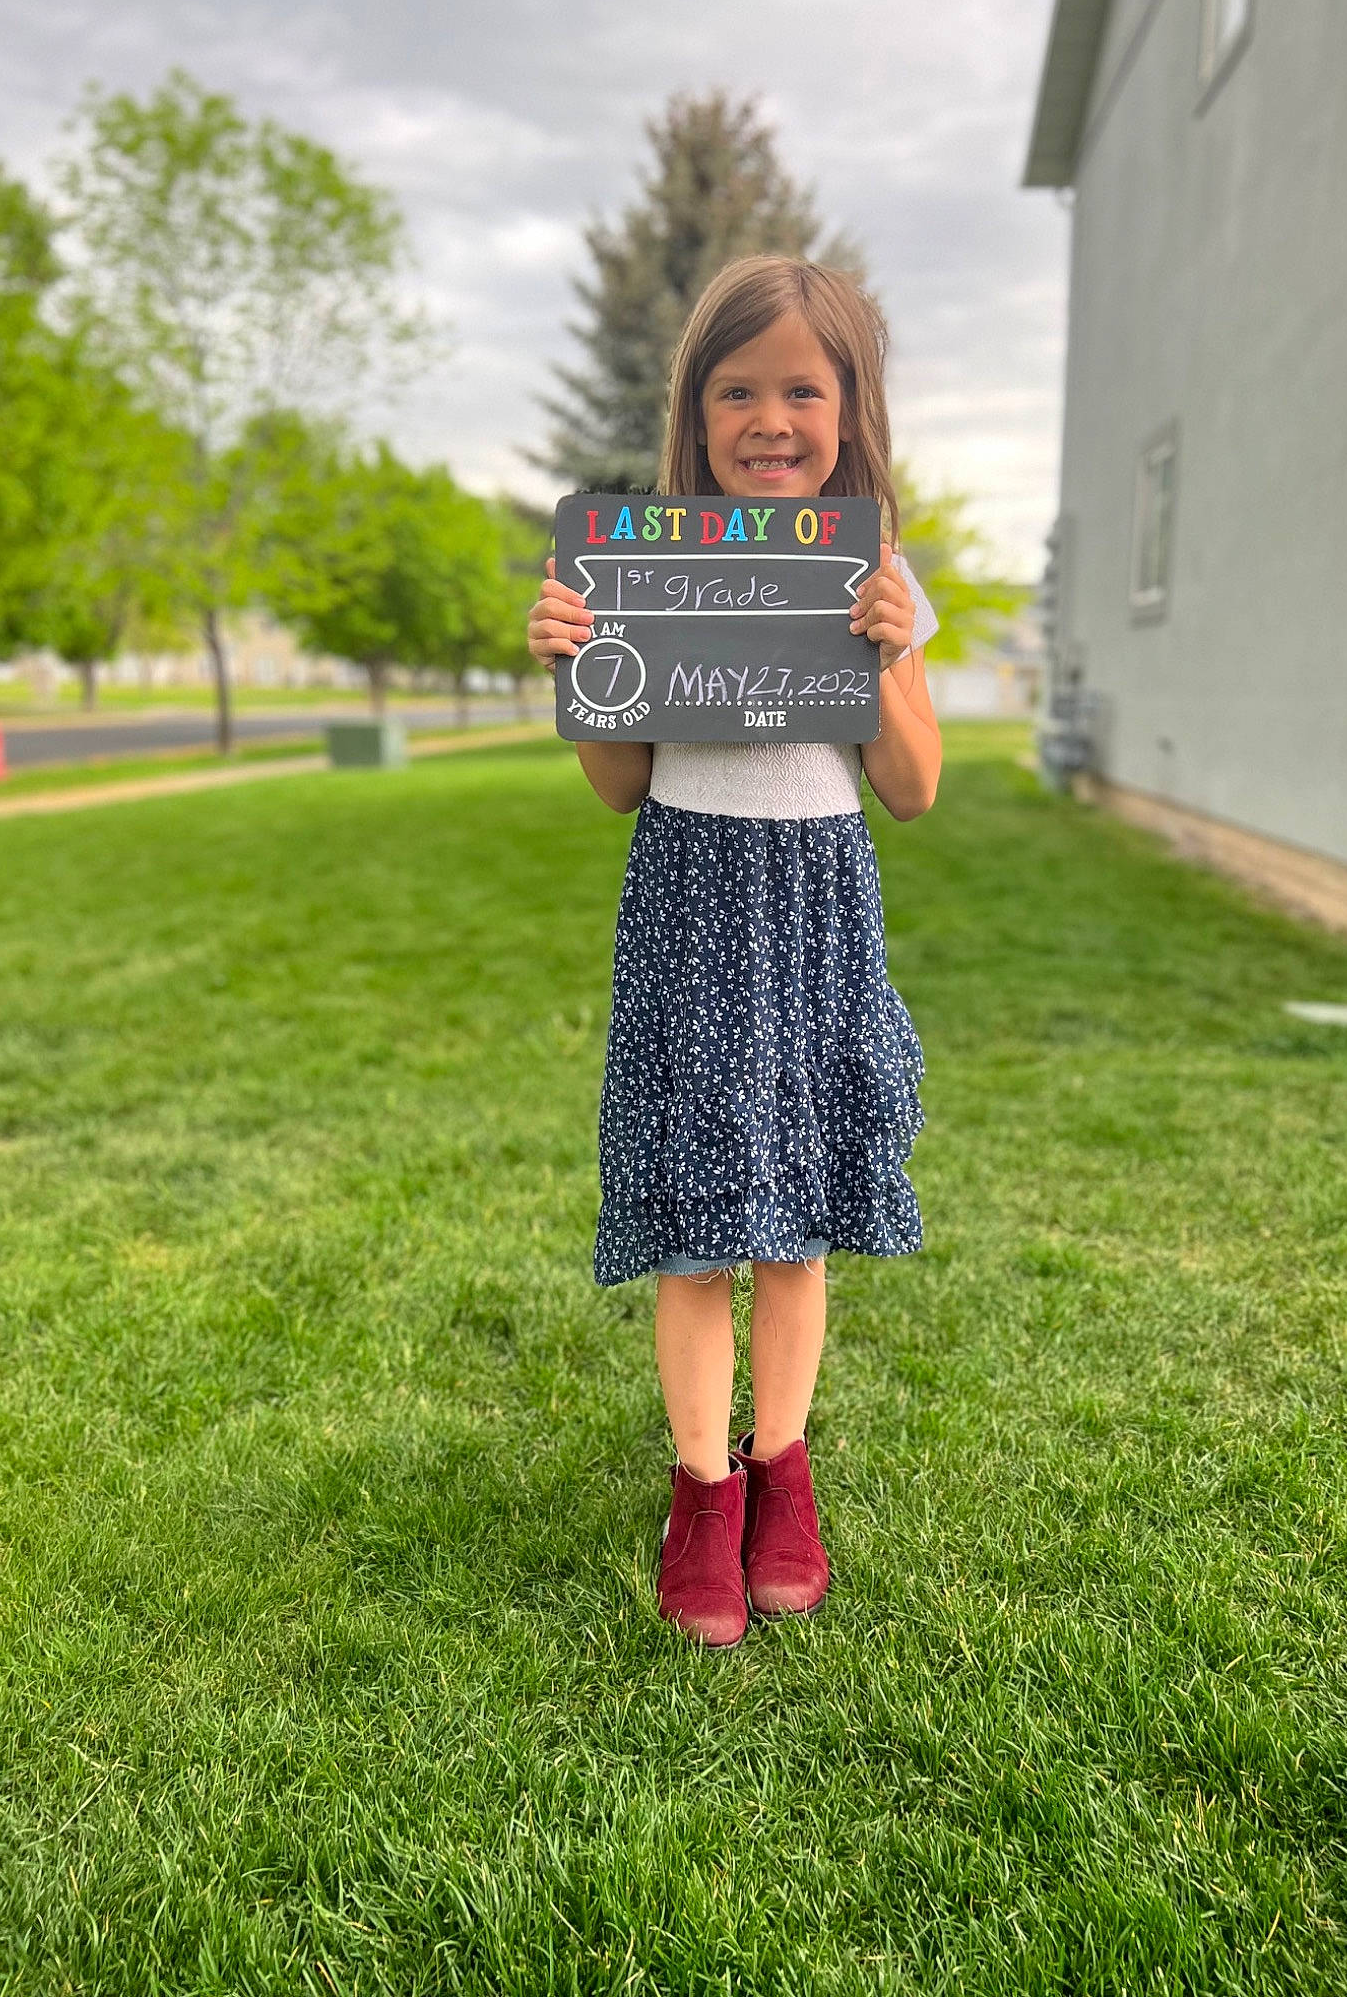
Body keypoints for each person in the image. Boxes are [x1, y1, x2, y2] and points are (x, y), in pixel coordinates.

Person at [527, 254, 942, 1649]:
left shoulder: (875, 575)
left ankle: (784, 1475)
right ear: (696, 415)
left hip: (817, 902)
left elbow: (914, 787)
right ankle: (703, 1491)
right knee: (698, 1225)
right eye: (737, 392)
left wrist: (887, 652)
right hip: (690, 895)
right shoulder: (645, 571)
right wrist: (577, 671)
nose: (772, 419)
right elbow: (620, 784)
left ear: (850, 408)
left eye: (803, 392)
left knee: (798, 1218)